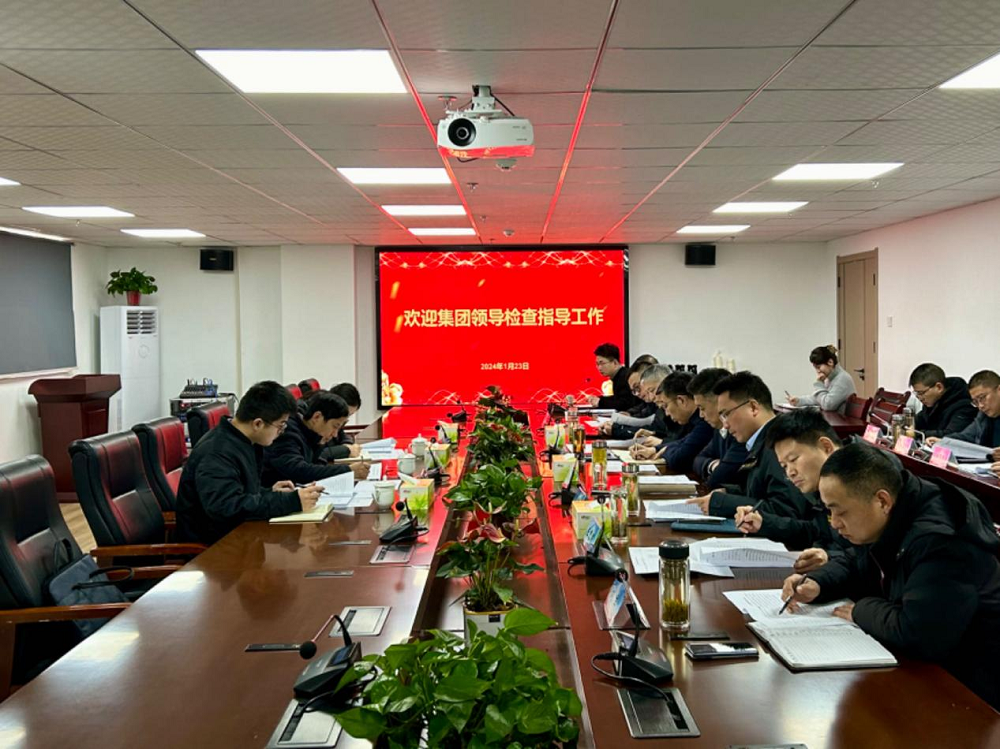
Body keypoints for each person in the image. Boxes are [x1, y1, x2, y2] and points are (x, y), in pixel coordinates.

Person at [781, 442, 1000, 710]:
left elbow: (919, 634)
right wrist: (818, 583)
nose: (835, 523)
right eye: (829, 511)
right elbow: (857, 559)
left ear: (882, 501)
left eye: (840, 511)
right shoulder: (893, 509)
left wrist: (860, 610)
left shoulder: (941, 540)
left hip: (971, 689)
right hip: (929, 668)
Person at [176, 380, 324, 545]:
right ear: (258, 424)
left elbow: (238, 491)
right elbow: (226, 507)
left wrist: (269, 492)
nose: (281, 433)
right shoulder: (216, 453)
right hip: (213, 549)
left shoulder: (244, 441)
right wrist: (291, 501)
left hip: (240, 537)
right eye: (280, 426)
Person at [685, 371, 809, 519]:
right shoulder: (761, 440)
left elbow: (786, 509)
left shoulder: (780, 443)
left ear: (753, 407)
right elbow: (759, 492)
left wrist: (723, 503)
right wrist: (728, 492)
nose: (725, 424)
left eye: (726, 414)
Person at [734, 410, 846, 572]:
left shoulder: (863, 479)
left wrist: (830, 558)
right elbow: (816, 531)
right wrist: (764, 523)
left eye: (793, 460)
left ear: (826, 447)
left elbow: (868, 557)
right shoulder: (822, 485)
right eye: (784, 466)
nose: (790, 473)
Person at [262, 390, 369, 487]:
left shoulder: (312, 431)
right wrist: (348, 470)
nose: (335, 434)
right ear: (317, 417)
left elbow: (315, 463)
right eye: (335, 426)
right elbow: (299, 471)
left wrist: (319, 443)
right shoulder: (287, 431)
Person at [630, 371, 713, 472]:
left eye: (665, 406)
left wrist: (665, 450)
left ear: (681, 400)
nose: (667, 413)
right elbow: (681, 442)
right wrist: (654, 450)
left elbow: (679, 459)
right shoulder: (690, 419)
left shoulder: (705, 422)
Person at [689, 367, 749, 490]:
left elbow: (717, 480)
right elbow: (697, 459)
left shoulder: (742, 432)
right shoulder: (719, 429)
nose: (701, 415)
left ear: (719, 402)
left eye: (702, 408)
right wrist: (713, 465)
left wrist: (717, 469)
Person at [929, 370, 1000, 458]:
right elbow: (966, 436)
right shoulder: (983, 417)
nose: (980, 406)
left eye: (982, 398)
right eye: (975, 402)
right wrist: (943, 441)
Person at [908, 363, 978, 438]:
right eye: (916, 393)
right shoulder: (933, 402)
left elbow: (952, 435)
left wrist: (916, 433)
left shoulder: (964, 405)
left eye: (921, 393)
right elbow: (917, 422)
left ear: (939, 387)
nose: (919, 398)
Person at [787, 345, 856, 413]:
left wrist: (819, 384)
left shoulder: (843, 379)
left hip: (840, 419)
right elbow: (819, 399)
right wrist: (799, 401)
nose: (817, 371)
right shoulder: (830, 377)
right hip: (833, 418)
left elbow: (827, 405)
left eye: (818, 367)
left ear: (830, 362)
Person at [320, 382, 364, 461]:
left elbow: (342, 435)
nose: (345, 420)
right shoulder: (318, 421)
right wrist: (345, 450)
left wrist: (348, 445)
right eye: (346, 414)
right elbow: (317, 454)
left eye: (349, 415)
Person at [587, 343, 637, 411]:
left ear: (615, 363)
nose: (599, 368)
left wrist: (600, 402)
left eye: (602, 363)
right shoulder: (618, 376)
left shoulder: (625, 377)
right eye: (597, 364)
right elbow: (617, 398)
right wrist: (599, 399)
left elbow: (624, 404)